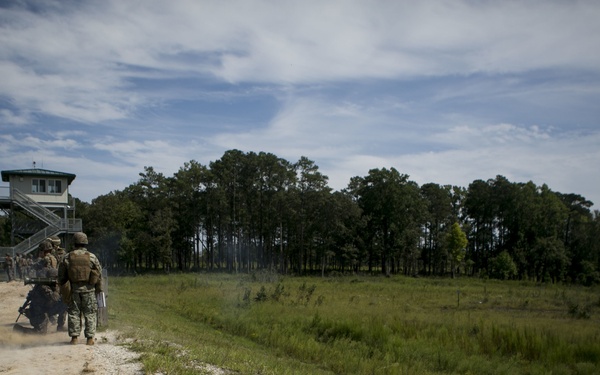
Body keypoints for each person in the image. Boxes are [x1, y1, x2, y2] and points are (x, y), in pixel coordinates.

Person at [57, 232, 103, 346]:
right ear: (85, 242)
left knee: (73, 313)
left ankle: (74, 338)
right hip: (89, 290)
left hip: (74, 290)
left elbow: (61, 276)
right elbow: (99, 274)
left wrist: (63, 289)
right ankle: (90, 339)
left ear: (74, 242)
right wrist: (99, 289)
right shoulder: (92, 257)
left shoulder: (67, 257)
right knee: (90, 313)